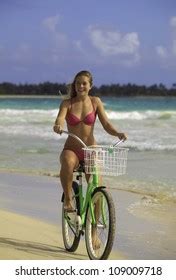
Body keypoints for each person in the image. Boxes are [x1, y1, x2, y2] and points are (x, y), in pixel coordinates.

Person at [53, 70, 127, 212]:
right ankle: (68, 199)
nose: (81, 86)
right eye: (78, 83)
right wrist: (58, 125)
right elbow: (60, 118)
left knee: (97, 189)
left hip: (90, 149)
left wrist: (118, 133)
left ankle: (93, 232)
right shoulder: (67, 103)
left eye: (84, 83)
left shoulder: (95, 102)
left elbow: (106, 124)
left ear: (90, 86)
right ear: (74, 86)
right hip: (72, 149)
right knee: (67, 162)